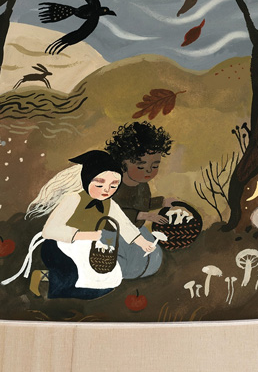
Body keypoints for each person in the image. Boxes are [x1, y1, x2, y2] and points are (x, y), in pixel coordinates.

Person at [25, 150, 156, 299]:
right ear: (87, 180)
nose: (106, 190)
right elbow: (49, 230)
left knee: (107, 280)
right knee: (72, 277)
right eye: (99, 185)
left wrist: (142, 242)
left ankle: (51, 279)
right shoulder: (74, 199)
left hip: (89, 246)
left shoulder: (109, 204)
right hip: (60, 246)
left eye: (113, 186)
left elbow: (125, 225)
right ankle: (46, 279)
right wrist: (84, 235)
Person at [104, 122, 175, 278]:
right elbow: (112, 212)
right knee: (125, 264)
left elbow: (143, 204)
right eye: (141, 167)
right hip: (113, 231)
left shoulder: (142, 185)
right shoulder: (114, 185)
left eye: (155, 166)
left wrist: (162, 202)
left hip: (137, 228)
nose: (149, 171)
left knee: (154, 257)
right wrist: (145, 215)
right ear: (123, 163)